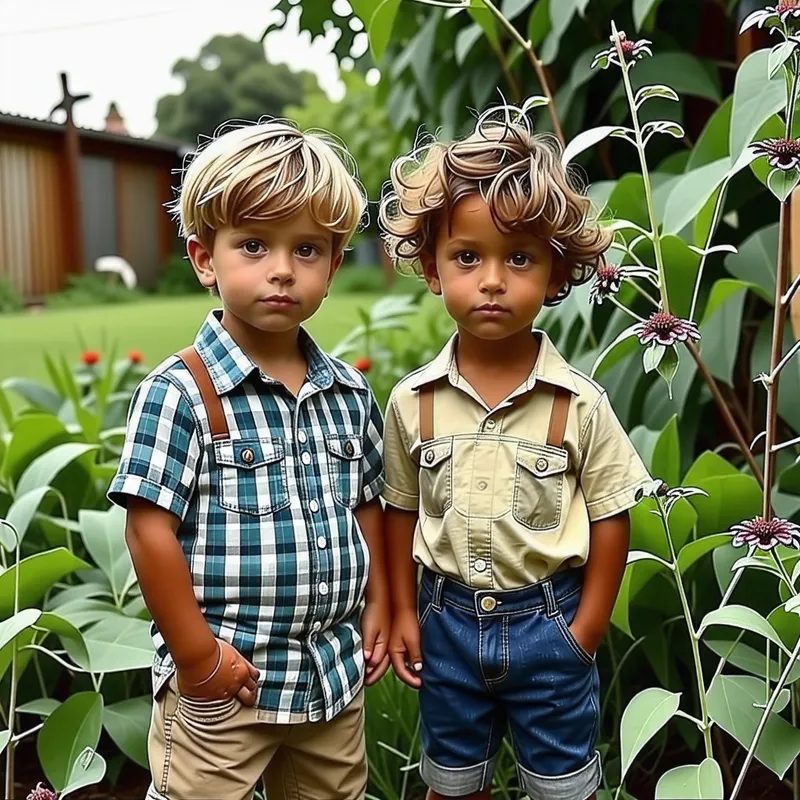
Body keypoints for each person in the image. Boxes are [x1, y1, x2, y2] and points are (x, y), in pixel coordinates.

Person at [108, 120, 389, 800]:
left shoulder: (348, 393)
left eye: (309, 249)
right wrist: (197, 659)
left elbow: (366, 504)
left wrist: (379, 599)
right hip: (227, 687)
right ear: (206, 258)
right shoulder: (181, 394)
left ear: (335, 260)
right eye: (254, 245)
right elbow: (149, 532)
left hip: (329, 680)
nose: (283, 269)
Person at [378, 105, 651, 800]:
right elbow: (398, 511)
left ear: (555, 276)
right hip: (446, 626)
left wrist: (584, 632)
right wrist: (407, 612)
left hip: (549, 625)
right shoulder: (415, 402)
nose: (492, 280)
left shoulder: (578, 405)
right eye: (468, 257)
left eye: (519, 258)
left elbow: (612, 515)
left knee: (562, 785)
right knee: (451, 779)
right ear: (433, 269)